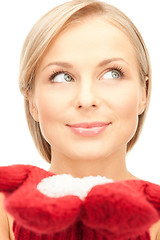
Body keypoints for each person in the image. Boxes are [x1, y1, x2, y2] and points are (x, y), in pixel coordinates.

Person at [0, 0, 160, 239]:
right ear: (31, 100)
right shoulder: (6, 208)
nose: (86, 99)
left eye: (112, 74)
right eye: (62, 77)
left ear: (144, 93)